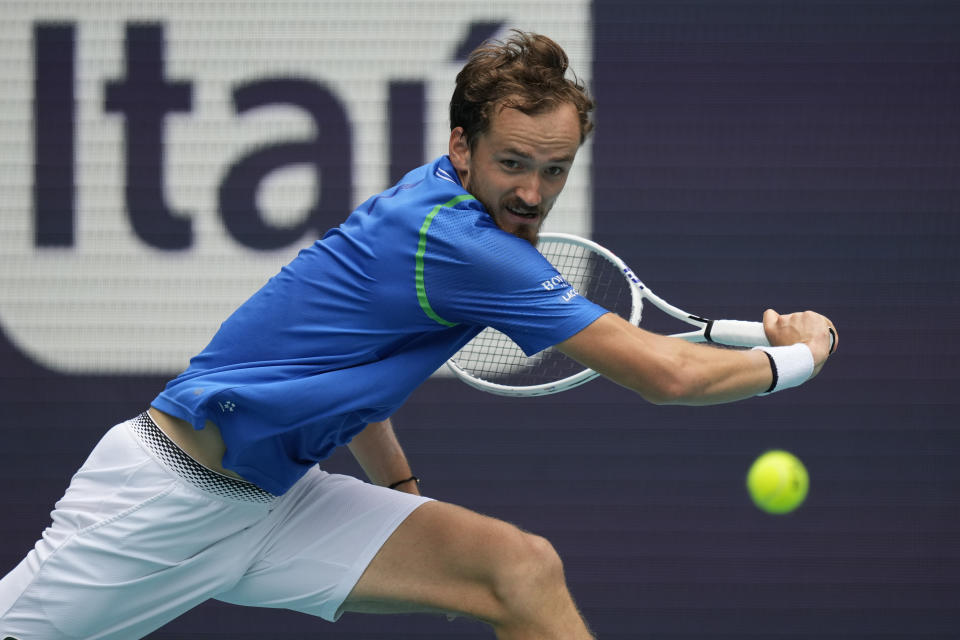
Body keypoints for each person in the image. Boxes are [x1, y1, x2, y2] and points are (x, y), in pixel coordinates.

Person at [0, 31, 837, 639]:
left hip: (275, 503)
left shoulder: (441, 204)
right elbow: (668, 375)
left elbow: (352, 377)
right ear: (461, 147)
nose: (532, 192)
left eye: (555, 170)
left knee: (518, 571)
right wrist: (797, 356)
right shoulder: (468, 248)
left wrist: (400, 498)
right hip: (165, 501)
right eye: (513, 163)